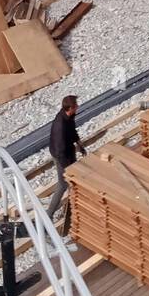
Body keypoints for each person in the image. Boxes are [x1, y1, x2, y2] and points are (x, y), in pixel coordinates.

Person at [46, 95, 86, 227]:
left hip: (69, 150)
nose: (78, 107)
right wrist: (67, 169)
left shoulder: (68, 117)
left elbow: (73, 131)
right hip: (61, 156)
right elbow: (59, 152)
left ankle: (74, 206)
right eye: (76, 105)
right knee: (63, 183)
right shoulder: (60, 126)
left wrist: (80, 145)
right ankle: (49, 215)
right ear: (70, 108)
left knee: (74, 180)